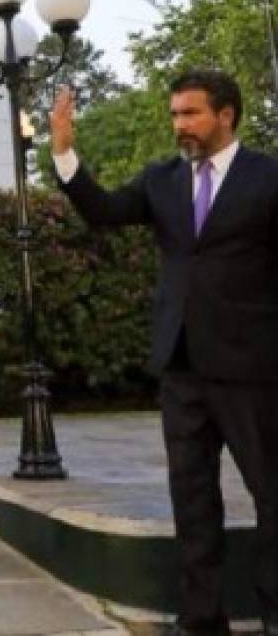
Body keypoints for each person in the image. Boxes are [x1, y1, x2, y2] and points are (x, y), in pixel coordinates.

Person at [50, 71, 278, 636]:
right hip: (181, 367)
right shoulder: (162, 179)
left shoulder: (268, 177)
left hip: (253, 368)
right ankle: (201, 619)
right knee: (192, 500)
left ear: (226, 115)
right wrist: (63, 152)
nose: (180, 126)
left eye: (191, 114)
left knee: (272, 496)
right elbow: (103, 210)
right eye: (175, 114)